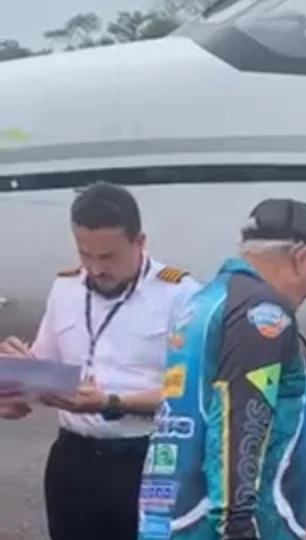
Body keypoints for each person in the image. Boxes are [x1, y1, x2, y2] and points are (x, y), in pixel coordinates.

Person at [137, 198, 306, 540]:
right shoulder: (263, 314)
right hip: (219, 526)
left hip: (173, 517)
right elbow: (238, 422)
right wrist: (237, 528)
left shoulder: (204, 302)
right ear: (301, 257)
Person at [0, 181, 201, 540]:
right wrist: (14, 383)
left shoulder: (180, 296)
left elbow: (191, 394)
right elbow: (45, 366)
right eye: (85, 254)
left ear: (140, 242)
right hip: (73, 461)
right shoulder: (65, 288)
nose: (95, 268)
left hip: (148, 463)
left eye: (108, 257)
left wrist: (111, 403)